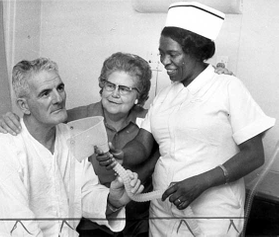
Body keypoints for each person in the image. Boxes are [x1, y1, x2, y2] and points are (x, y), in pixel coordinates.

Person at [0, 52, 233, 237]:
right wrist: (13, 118)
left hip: (138, 223)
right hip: (90, 224)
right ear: (101, 85)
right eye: (110, 85)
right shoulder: (76, 118)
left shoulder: (153, 121)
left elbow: (191, 121)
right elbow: (43, 115)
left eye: (125, 89)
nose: (115, 94)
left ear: (139, 95)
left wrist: (215, 81)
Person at [96, 2, 276, 237]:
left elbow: (254, 155)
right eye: (161, 53)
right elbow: (142, 144)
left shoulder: (228, 87)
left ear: (196, 52)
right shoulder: (164, 97)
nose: (164, 61)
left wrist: (201, 182)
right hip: (162, 210)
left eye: (173, 54)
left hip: (212, 213)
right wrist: (122, 154)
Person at [0, 58, 144, 237]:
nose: (58, 99)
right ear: (23, 105)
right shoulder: (2, 148)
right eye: (45, 93)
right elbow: (18, 229)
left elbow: (84, 192)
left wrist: (112, 201)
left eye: (60, 88)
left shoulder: (69, 135)